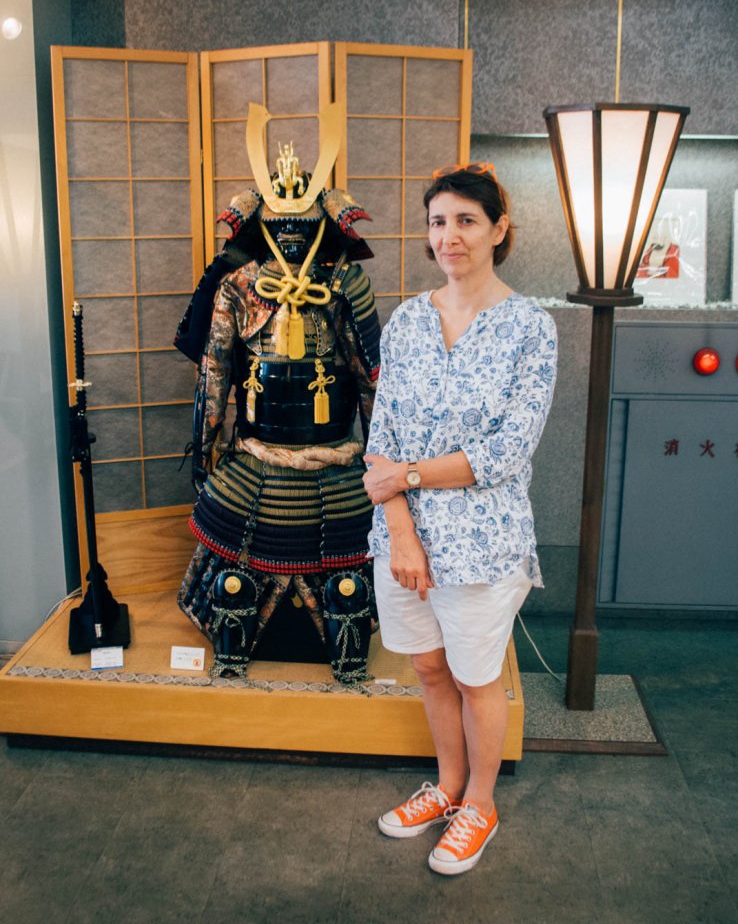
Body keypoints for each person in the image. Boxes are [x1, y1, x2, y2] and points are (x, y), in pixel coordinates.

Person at [363, 162, 557, 876]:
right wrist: (404, 528)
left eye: (467, 221)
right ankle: (445, 787)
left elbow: (505, 451)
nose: (450, 236)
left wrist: (409, 474)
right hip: (402, 539)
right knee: (428, 668)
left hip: (484, 544)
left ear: (499, 230)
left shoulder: (530, 328)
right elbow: (382, 435)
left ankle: (480, 801)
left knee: (478, 678)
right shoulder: (409, 321)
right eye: (439, 221)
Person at [176, 102, 381, 684]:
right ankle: (234, 638)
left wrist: (382, 460)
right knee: (234, 575)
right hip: (257, 455)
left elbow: (372, 379)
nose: (291, 235)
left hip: (335, 458)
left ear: (324, 222)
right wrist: (206, 440)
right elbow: (214, 371)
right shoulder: (238, 285)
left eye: (303, 224)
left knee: (345, 577)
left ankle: (345, 643)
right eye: (279, 224)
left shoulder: (345, 284)